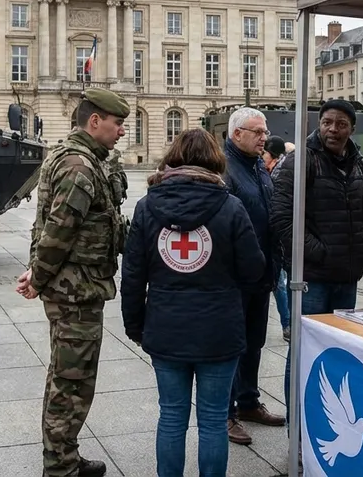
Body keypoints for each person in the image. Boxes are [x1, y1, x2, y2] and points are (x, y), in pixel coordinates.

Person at [122, 128, 264, 477]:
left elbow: (133, 274)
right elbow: (254, 270)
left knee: (171, 415)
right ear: (216, 161)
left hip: (166, 326)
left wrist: (135, 325)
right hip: (219, 329)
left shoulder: (147, 207)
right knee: (214, 419)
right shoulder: (230, 207)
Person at [16, 88, 129, 477]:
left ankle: (64, 455)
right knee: (71, 383)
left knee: (67, 377)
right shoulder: (80, 166)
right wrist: (38, 276)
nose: (121, 132)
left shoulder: (75, 158)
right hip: (75, 291)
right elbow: (60, 230)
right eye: (117, 124)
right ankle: (60, 467)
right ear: (94, 121)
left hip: (74, 286)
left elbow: (53, 225)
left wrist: (38, 272)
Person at [270, 99, 363, 419]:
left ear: (351, 128)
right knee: (304, 352)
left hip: (347, 276)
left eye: (341, 124)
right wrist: (318, 251)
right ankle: (298, 435)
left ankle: (325, 427)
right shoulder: (300, 161)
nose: (333, 129)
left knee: (338, 353)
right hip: (312, 278)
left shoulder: (358, 162)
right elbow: (282, 217)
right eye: (327, 122)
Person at [221, 108, 286, 446]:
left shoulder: (258, 165)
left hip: (262, 270)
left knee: (255, 342)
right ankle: (228, 412)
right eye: (257, 132)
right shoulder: (225, 169)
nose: (264, 137)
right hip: (236, 275)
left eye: (265, 132)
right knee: (234, 345)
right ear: (237, 134)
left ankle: (248, 401)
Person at [261, 135, 290, 341]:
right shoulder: (268, 171)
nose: (261, 155)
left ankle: (288, 324)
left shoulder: (277, 174)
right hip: (271, 238)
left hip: (275, 238)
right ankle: (287, 323)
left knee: (279, 283)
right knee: (279, 283)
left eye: (264, 152)